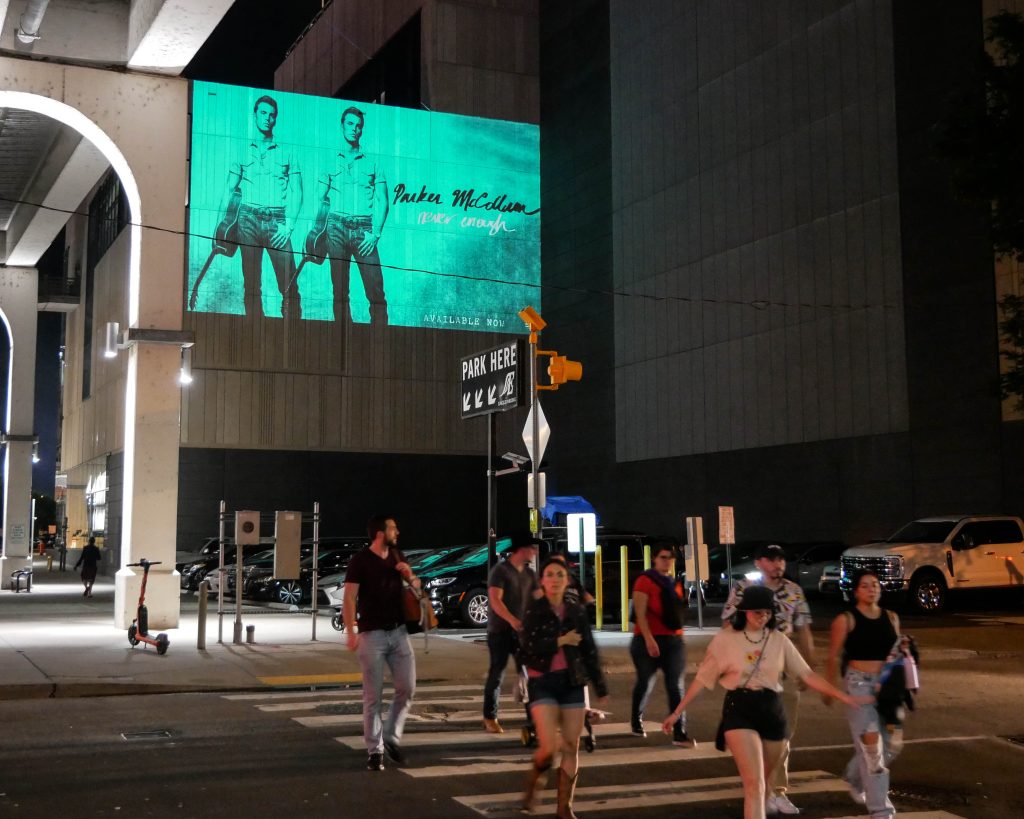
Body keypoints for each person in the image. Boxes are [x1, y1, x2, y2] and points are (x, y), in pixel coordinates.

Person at [662, 585, 869, 819]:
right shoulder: (726, 640)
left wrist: (841, 695)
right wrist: (677, 712)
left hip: (772, 709)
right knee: (755, 784)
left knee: (765, 785)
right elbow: (702, 679)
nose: (763, 617)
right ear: (744, 612)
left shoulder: (778, 639)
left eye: (767, 612)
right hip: (740, 707)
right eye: (757, 612)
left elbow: (806, 674)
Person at [722, 544, 813, 816]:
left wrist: (806, 668)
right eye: (772, 559)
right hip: (751, 678)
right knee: (756, 738)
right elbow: (727, 625)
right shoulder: (743, 589)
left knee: (782, 737)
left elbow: (803, 630)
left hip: (783, 674)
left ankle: (776, 791)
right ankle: (759, 788)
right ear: (759, 562)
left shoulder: (794, 591)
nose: (778, 564)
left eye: (781, 559)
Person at [518, 558, 609, 818]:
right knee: (548, 747)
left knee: (571, 744)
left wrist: (600, 686)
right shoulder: (534, 610)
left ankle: (564, 807)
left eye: (560, 574)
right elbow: (527, 646)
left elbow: (589, 649)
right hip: (542, 682)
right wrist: (561, 640)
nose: (555, 579)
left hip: (571, 682)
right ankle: (535, 779)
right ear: (543, 581)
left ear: (567, 580)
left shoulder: (576, 611)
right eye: (550, 574)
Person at [825, 570, 906, 818]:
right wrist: (830, 690)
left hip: (887, 688)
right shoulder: (846, 619)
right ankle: (881, 810)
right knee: (872, 751)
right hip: (859, 686)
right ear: (856, 591)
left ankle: (854, 777)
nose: (871, 589)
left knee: (892, 746)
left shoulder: (892, 617)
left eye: (875, 585)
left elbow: (896, 654)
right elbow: (832, 656)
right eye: (865, 586)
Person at [343, 515, 418, 771]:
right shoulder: (360, 561)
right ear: (379, 533)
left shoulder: (398, 556)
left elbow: (418, 588)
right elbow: (350, 598)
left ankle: (391, 735)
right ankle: (375, 751)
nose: (397, 532)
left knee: (407, 688)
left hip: (399, 633)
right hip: (371, 636)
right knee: (372, 697)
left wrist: (410, 576)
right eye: (393, 528)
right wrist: (350, 631)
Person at [221, 94, 303, 318]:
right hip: (247, 219)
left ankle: (293, 334)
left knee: (290, 285)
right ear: (255, 115)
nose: (268, 118)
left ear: (276, 119)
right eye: (264, 113)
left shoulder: (287, 150)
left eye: (272, 115)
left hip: (278, 222)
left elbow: (298, 190)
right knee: (251, 285)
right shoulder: (241, 148)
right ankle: (255, 333)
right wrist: (221, 226)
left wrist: (289, 226)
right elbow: (229, 188)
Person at [318, 106, 390, 325]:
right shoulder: (329, 159)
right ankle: (343, 345)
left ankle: (381, 344)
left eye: (358, 126)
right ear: (342, 126)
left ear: (362, 131)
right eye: (350, 124)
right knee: (340, 292)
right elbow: (320, 199)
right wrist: (316, 231)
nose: (354, 129)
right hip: (335, 227)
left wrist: (375, 234)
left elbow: (383, 201)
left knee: (376, 292)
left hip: (364, 230)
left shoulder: (373, 161)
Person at [630, 542, 694, 747]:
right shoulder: (644, 580)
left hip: (673, 641)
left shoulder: (674, 583)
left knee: (676, 685)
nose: (667, 561)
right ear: (655, 559)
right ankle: (636, 719)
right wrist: (649, 639)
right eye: (663, 557)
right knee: (645, 682)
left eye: (671, 558)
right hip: (647, 640)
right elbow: (639, 613)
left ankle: (680, 731)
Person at [482, 534, 539, 734]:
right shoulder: (501, 571)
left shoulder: (530, 575)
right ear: (522, 549)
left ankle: (534, 719)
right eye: (533, 548)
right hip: (500, 632)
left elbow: (538, 600)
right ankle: (490, 717)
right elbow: (495, 600)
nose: (535, 551)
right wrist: (513, 620)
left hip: (522, 633)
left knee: (529, 674)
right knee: (497, 673)